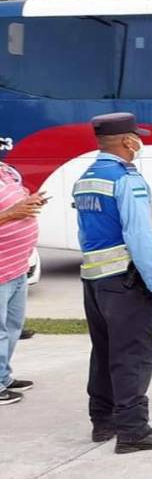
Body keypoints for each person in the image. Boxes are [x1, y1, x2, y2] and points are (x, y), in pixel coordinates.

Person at [73, 113, 152, 453]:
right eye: (137, 137)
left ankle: (103, 421)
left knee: (104, 351)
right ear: (127, 141)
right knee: (133, 353)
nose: (140, 142)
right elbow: (139, 236)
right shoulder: (127, 180)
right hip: (125, 282)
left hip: (95, 281)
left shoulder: (86, 178)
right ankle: (133, 430)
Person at [0, 161, 44, 406]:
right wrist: (11, 213)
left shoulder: (5, 172)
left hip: (16, 267)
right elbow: (10, 211)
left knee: (12, 326)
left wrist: (30, 203)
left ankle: (3, 377)